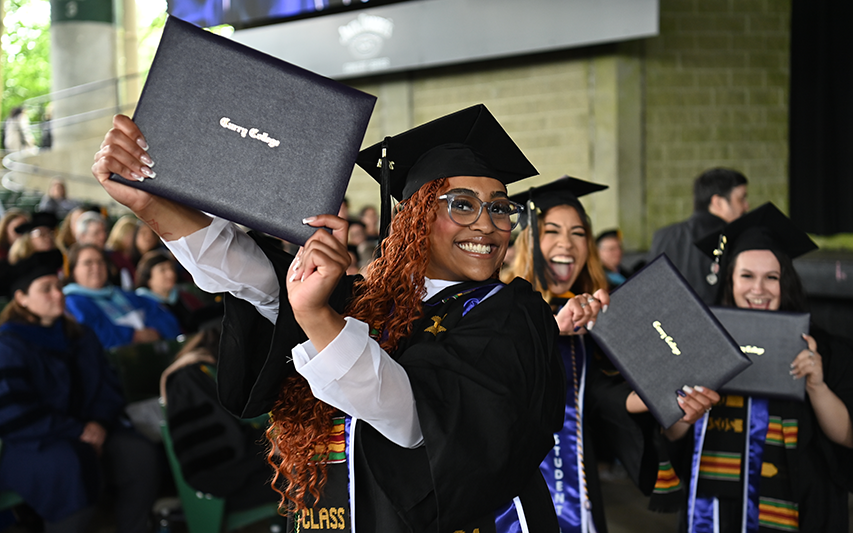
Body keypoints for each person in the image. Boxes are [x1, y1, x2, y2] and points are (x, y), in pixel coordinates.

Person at [92, 105, 569, 531]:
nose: (486, 224)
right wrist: (149, 202)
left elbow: (414, 416)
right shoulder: (366, 302)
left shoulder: (510, 314)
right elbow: (252, 276)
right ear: (414, 218)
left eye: (501, 208)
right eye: (461, 204)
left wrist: (316, 314)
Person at [503, 176, 712, 532]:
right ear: (529, 241)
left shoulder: (595, 314)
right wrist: (554, 325)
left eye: (579, 232)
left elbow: (605, 396)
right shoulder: (499, 304)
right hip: (508, 492)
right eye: (552, 231)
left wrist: (666, 394)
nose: (566, 243)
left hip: (577, 488)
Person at [668, 203, 853, 532]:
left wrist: (817, 387)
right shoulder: (698, 345)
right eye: (747, 276)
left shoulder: (821, 348)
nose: (758, 289)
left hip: (799, 508)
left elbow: (847, 436)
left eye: (772, 277)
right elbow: (671, 434)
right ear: (730, 280)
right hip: (714, 511)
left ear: (787, 282)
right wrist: (685, 403)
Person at [0, 250, 161, 533]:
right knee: (71, 466)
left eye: (58, 288)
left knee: (140, 456)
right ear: (21, 298)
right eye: (46, 289)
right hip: (37, 441)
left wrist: (98, 423)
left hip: (93, 430)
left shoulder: (80, 335)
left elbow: (106, 388)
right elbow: (15, 412)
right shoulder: (9, 345)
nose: (58, 295)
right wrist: (78, 430)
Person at [160, 327, 279, 510]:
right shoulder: (188, 379)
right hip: (230, 481)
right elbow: (222, 445)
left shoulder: (205, 371)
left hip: (248, 468)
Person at [648, 168, 749, 305]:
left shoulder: (662, 235)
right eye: (741, 199)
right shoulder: (733, 238)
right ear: (718, 203)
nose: (746, 206)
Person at [62, 243, 182, 350]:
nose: (96, 267)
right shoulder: (72, 303)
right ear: (73, 270)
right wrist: (133, 336)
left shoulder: (124, 295)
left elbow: (163, 317)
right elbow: (92, 336)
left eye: (100, 261)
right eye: (88, 263)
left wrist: (156, 331)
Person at [135, 250, 220, 334]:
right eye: (162, 270)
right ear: (148, 278)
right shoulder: (142, 304)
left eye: (171, 268)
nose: (171, 274)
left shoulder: (186, 296)